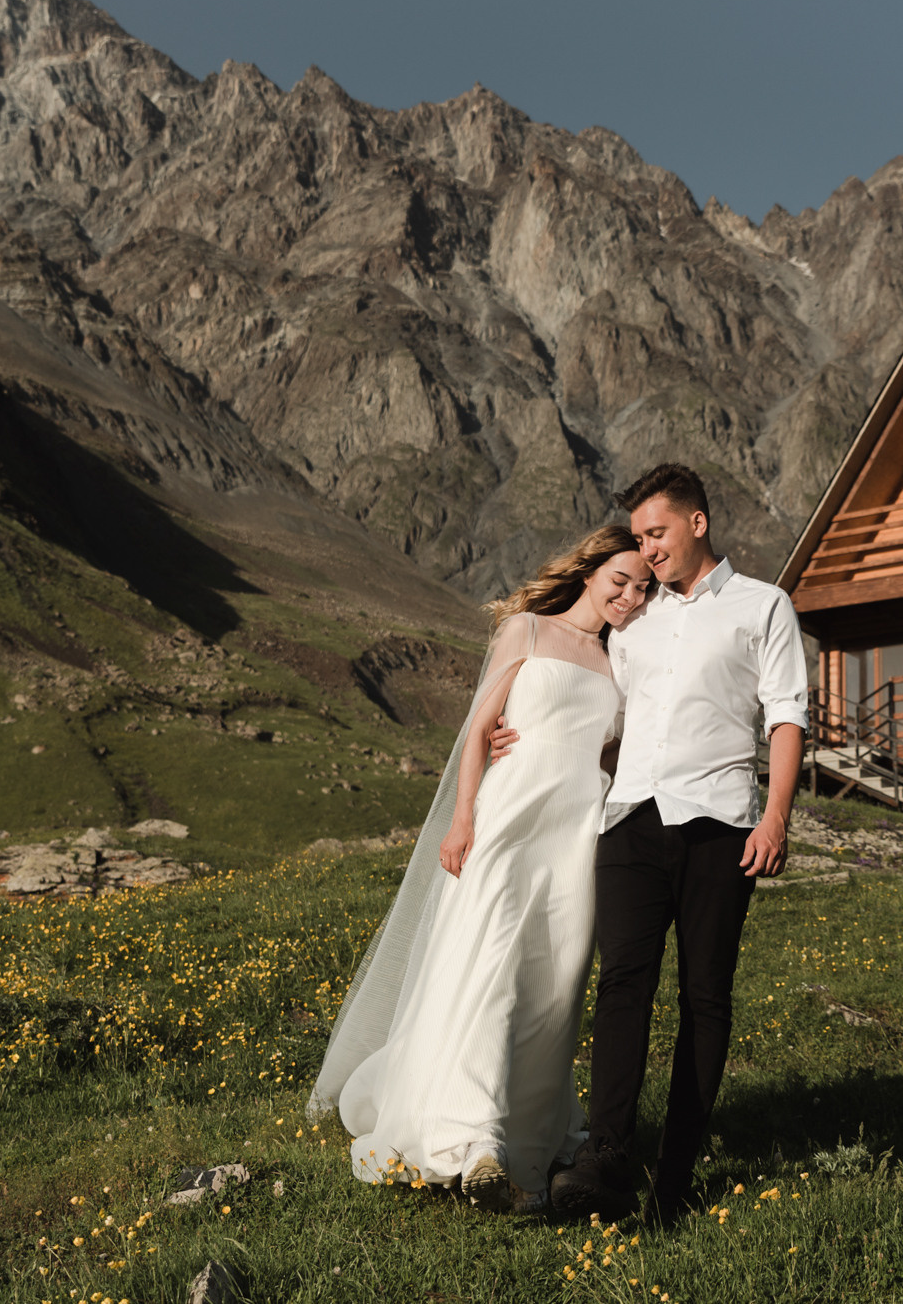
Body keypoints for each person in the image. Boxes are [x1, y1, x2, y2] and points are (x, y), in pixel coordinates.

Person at [305, 526, 653, 1212]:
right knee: (489, 968)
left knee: (552, 989)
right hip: (506, 822)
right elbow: (478, 730)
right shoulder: (524, 631)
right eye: (621, 580)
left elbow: (612, 757)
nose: (630, 596)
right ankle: (475, 1143)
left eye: (644, 587)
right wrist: (464, 815)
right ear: (589, 571)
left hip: (575, 841)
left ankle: (521, 1147)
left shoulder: (623, 663)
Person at [496, 463, 808, 1224]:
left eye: (657, 533)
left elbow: (787, 714)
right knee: (621, 984)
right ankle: (606, 1157)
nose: (647, 551)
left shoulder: (763, 607)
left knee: (705, 996)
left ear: (697, 523)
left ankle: (674, 1179)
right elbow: (596, 700)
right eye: (638, 538)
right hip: (631, 820)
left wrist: (776, 817)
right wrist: (523, 734)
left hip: (721, 824)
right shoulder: (636, 620)